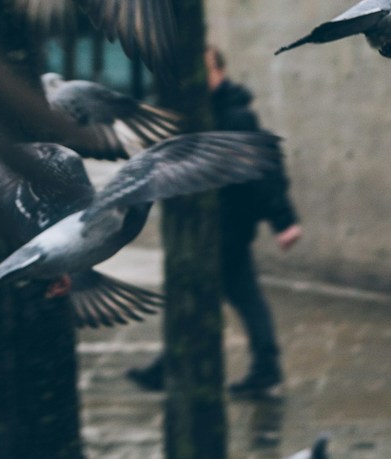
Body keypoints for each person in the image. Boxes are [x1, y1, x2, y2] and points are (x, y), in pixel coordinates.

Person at [127, 46, 301, 397]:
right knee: (235, 296)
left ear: (219, 72)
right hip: (217, 225)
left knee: (204, 295)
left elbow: (264, 173)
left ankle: (173, 368)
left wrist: (284, 221)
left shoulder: (234, 117)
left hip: (228, 226)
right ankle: (262, 367)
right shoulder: (203, 113)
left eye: (204, 71)